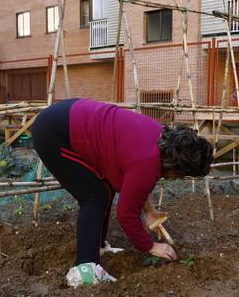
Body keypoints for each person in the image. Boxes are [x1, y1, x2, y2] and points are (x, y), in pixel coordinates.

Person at [31, 98, 213, 267]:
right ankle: (85, 268)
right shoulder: (148, 161)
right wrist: (150, 246)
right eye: (181, 176)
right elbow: (126, 215)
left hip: (69, 118)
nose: (176, 179)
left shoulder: (162, 140)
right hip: (55, 132)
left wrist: (150, 211)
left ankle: (97, 247)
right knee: (94, 196)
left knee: (104, 191)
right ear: (177, 167)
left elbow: (137, 184)